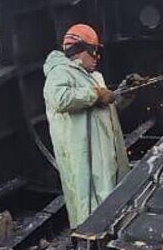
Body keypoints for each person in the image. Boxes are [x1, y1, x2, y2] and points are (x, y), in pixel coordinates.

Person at [42, 23, 129, 227]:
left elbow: (105, 109)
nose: (97, 57)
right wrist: (95, 94)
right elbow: (59, 98)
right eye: (94, 51)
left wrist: (126, 93)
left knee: (111, 207)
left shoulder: (94, 77)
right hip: (85, 161)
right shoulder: (60, 72)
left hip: (106, 158)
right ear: (81, 51)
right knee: (90, 214)